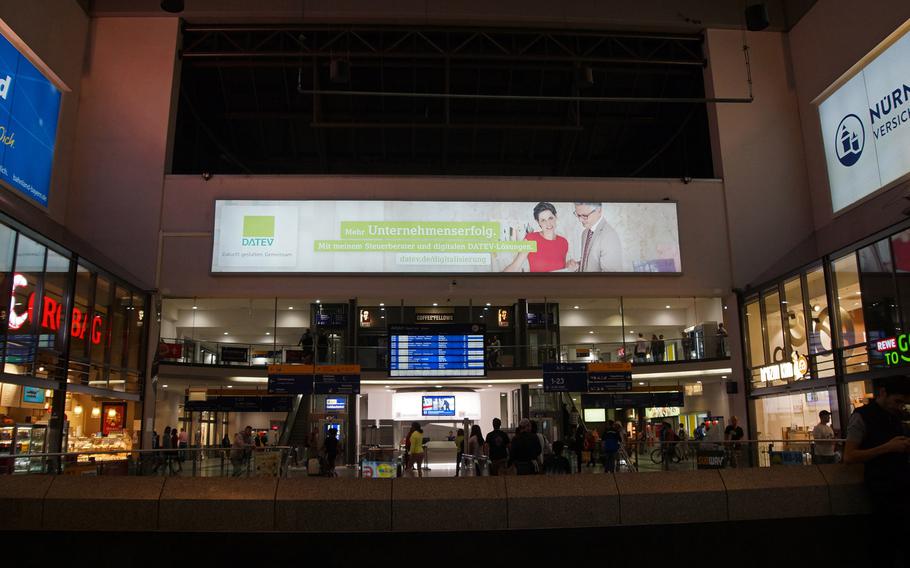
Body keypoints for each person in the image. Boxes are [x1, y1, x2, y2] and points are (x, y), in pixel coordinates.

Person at [843, 375, 910, 568]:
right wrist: (887, 448)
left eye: (903, 404)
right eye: (897, 401)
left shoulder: (895, 417)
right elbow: (849, 456)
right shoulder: (862, 417)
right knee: (885, 546)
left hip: (900, 487)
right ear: (882, 393)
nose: (899, 407)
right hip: (883, 492)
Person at [503, 202, 575, 272]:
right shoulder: (530, 239)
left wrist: (569, 265)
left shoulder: (563, 242)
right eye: (543, 220)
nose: (548, 223)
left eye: (550, 218)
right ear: (538, 222)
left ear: (555, 217)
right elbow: (515, 266)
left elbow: (561, 268)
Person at [572, 202, 623, 272]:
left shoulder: (609, 236)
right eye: (578, 215)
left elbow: (611, 278)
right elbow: (590, 264)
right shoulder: (585, 233)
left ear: (599, 210)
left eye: (585, 215)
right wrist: (577, 266)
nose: (580, 220)